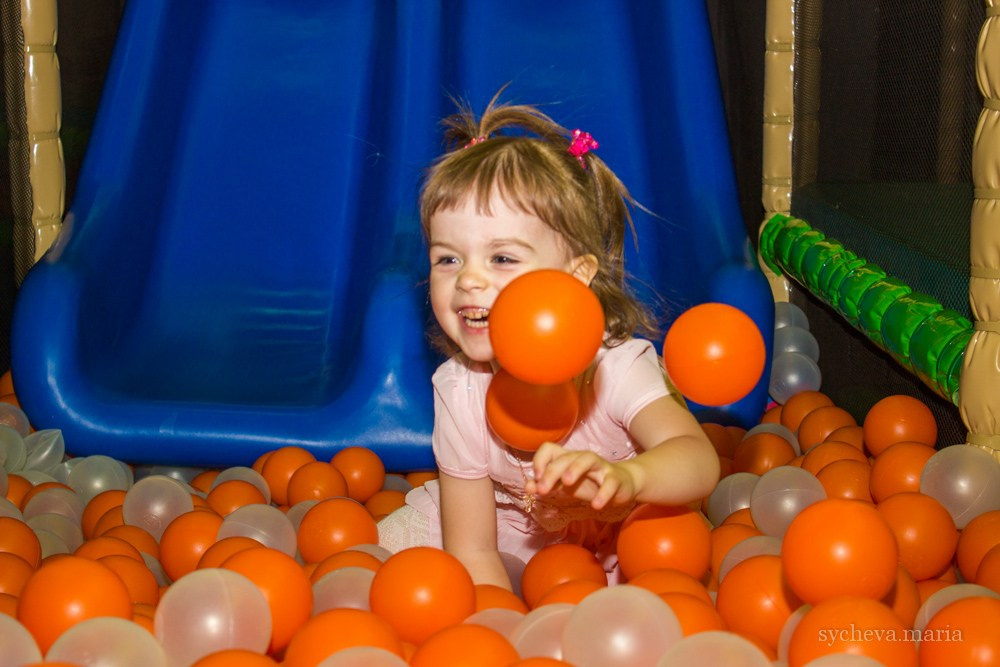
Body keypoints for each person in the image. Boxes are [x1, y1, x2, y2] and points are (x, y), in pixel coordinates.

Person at [377, 93, 720, 590]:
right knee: (391, 557)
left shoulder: (617, 367)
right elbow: (472, 548)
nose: (468, 280)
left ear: (575, 275)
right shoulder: (459, 390)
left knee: (681, 574)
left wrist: (631, 479)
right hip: (514, 540)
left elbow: (697, 457)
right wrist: (501, 632)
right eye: (448, 259)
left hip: (625, 540)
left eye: (502, 259)